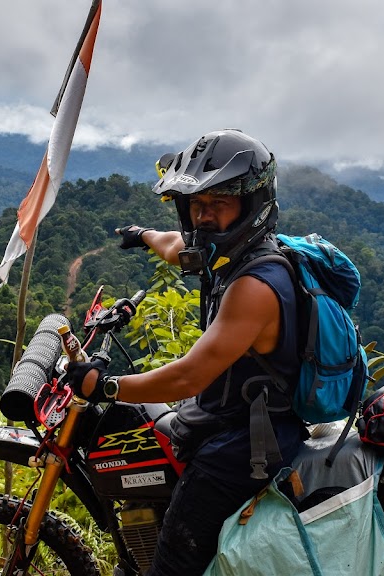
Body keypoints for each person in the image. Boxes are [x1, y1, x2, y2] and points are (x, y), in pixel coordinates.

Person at [67, 129, 306, 575]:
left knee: (173, 561)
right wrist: (143, 235)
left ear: (251, 206)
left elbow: (187, 377)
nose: (205, 218)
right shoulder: (232, 255)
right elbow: (178, 247)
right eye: (197, 205)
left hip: (248, 441)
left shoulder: (254, 286)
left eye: (219, 204)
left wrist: (107, 386)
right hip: (232, 415)